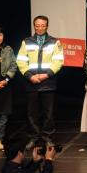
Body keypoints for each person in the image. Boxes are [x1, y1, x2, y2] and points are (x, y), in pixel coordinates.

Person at [17, 15, 64, 149]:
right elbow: (20, 60)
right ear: (34, 26)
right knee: (32, 113)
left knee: (48, 113)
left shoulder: (54, 42)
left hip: (48, 82)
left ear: (47, 26)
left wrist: (46, 75)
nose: (40, 28)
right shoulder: (26, 42)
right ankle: (33, 137)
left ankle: (48, 137)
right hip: (31, 82)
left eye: (43, 26)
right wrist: (29, 76)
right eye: (37, 26)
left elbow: (58, 61)